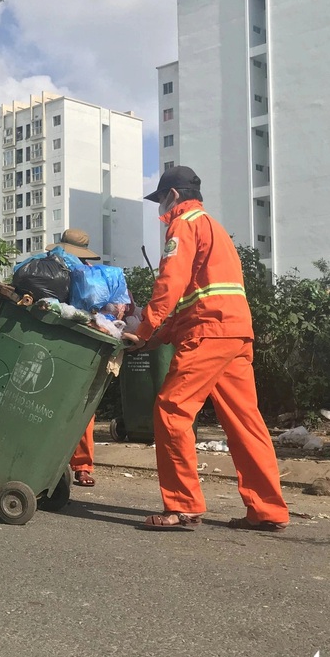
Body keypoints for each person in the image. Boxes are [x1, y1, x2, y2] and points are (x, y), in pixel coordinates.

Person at [121, 166, 289, 532]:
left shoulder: (183, 225)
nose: (160, 209)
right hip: (234, 333)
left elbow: (171, 284)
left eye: (161, 200)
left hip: (208, 333)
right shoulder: (216, 229)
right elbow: (197, 298)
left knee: (171, 411)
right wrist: (157, 335)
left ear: (174, 196)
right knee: (246, 423)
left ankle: (182, 506)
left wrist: (144, 328)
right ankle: (267, 509)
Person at [48, 229, 101, 487]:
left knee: (77, 406)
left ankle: (78, 465)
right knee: (80, 407)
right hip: (71, 341)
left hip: (62, 341)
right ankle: (78, 466)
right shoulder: (52, 268)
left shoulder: (88, 274)